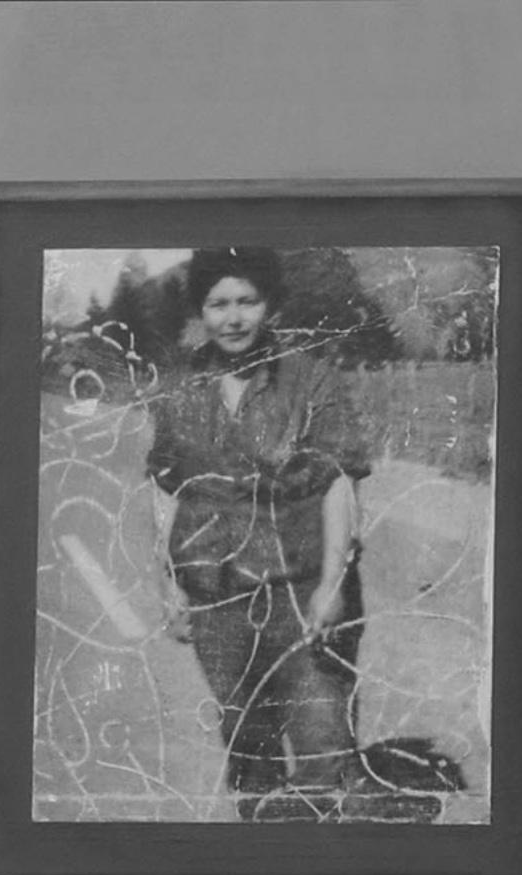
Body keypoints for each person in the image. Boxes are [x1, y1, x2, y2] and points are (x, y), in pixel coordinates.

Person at [145, 249, 372, 819]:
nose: (234, 318)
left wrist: (331, 585)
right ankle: (264, 868)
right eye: (219, 304)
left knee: (323, 745)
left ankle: (323, 870)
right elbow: (167, 488)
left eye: (247, 301)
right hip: (218, 598)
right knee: (250, 747)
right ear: (201, 310)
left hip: (297, 593)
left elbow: (338, 483)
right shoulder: (180, 390)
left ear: (268, 304)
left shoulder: (311, 380)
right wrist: (171, 583)